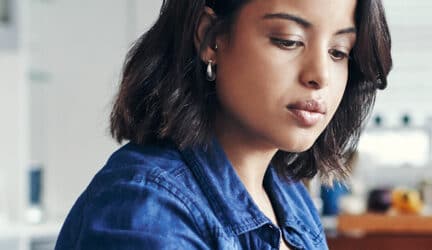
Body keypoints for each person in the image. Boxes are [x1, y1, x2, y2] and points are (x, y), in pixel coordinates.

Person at [55, 0, 391, 249]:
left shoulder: (289, 196)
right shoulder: (145, 207)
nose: (319, 75)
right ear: (212, 38)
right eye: (289, 40)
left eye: (338, 51)